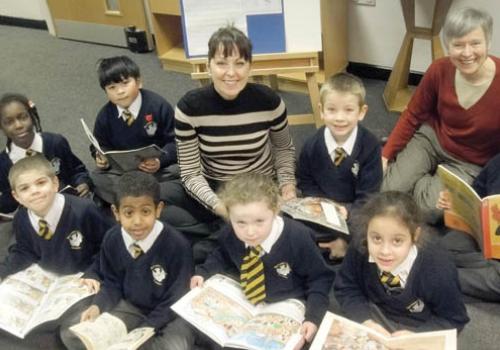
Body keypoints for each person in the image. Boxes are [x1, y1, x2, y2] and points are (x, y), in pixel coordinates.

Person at [171, 25, 296, 245]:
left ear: (250, 66)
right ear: (208, 65)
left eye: (240, 63)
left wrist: (287, 189)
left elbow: (284, 149)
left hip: (262, 186)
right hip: (217, 189)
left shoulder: (269, 102)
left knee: (295, 231)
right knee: (154, 205)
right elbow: (190, 173)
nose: (231, 73)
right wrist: (222, 208)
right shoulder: (189, 108)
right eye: (221, 63)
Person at [190, 173, 334, 348]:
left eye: (259, 221)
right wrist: (204, 273)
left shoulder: (298, 237)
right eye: (241, 223)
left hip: (287, 300)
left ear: (274, 211)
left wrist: (313, 317)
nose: (250, 232)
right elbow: (221, 254)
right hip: (246, 299)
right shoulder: (230, 233)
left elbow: (319, 278)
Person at [382, 7, 500, 218]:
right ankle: (408, 172)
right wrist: (385, 155)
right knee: (387, 190)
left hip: (470, 162)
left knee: (430, 212)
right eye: (458, 44)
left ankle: (417, 178)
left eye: (475, 43)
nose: (466, 53)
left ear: (488, 42)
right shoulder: (439, 69)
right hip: (432, 139)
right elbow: (412, 115)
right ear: (448, 46)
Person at [60, 171, 194, 350]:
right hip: (131, 307)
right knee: (71, 333)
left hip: (169, 315)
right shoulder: (113, 238)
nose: (137, 221)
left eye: (145, 211)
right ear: (116, 212)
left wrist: (145, 328)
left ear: (158, 210)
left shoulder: (177, 245)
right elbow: (112, 282)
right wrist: (98, 307)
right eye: (128, 213)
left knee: (174, 347)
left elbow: (176, 298)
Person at [0, 155, 112, 348]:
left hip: (84, 281)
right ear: (16, 196)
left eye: (40, 183)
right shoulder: (22, 218)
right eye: (25, 188)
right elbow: (23, 250)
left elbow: (110, 246)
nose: (34, 191)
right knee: (21, 332)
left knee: (73, 330)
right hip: (50, 284)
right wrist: (3, 275)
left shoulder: (83, 210)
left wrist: (94, 272)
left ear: (54, 182)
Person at [334, 191, 469, 335]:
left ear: (415, 236)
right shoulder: (360, 247)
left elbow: (454, 319)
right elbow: (346, 287)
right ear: (367, 232)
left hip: (419, 324)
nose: (385, 251)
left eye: (397, 241)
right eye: (377, 239)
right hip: (372, 311)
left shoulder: (438, 267)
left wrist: (419, 336)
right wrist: (364, 320)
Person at [297, 72, 382, 260]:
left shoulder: (370, 146)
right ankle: (331, 247)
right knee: (292, 229)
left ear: (362, 112)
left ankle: (342, 247)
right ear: (321, 110)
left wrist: (347, 212)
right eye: (332, 110)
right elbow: (306, 181)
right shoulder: (311, 145)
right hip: (323, 209)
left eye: (348, 110)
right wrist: (321, 207)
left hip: (355, 208)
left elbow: (368, 195)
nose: (339, 118)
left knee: (376, 226)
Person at [90, 55, 177, 205]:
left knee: (182, 172)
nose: (120, 91)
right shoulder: (105, 115)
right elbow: (98, 144)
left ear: (139, 82)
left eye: (125, 83)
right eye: (112, 87)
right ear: (105, 91)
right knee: (96, 177)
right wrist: (100, 157)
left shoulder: (158, 106)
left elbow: (177, 142)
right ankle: (146, 200)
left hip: (157, 170)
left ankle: (129, 201)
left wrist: (159, 161)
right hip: (125, 172)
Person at [0, 93, 92, 213]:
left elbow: (76, 170)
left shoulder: (55, 143)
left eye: (23, 117)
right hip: (36, 216)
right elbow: (9, 200)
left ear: (32, 117)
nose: (18, 125)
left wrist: (83, 182)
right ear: (2, 127)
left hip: (69, 205)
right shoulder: (3, 163)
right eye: (9, 122)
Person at [438, 153, 500, 302]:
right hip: (480, 238)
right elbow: (473, 197)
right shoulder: (497, 164)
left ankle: (440, 277)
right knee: (443, 250)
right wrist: (452, 203)